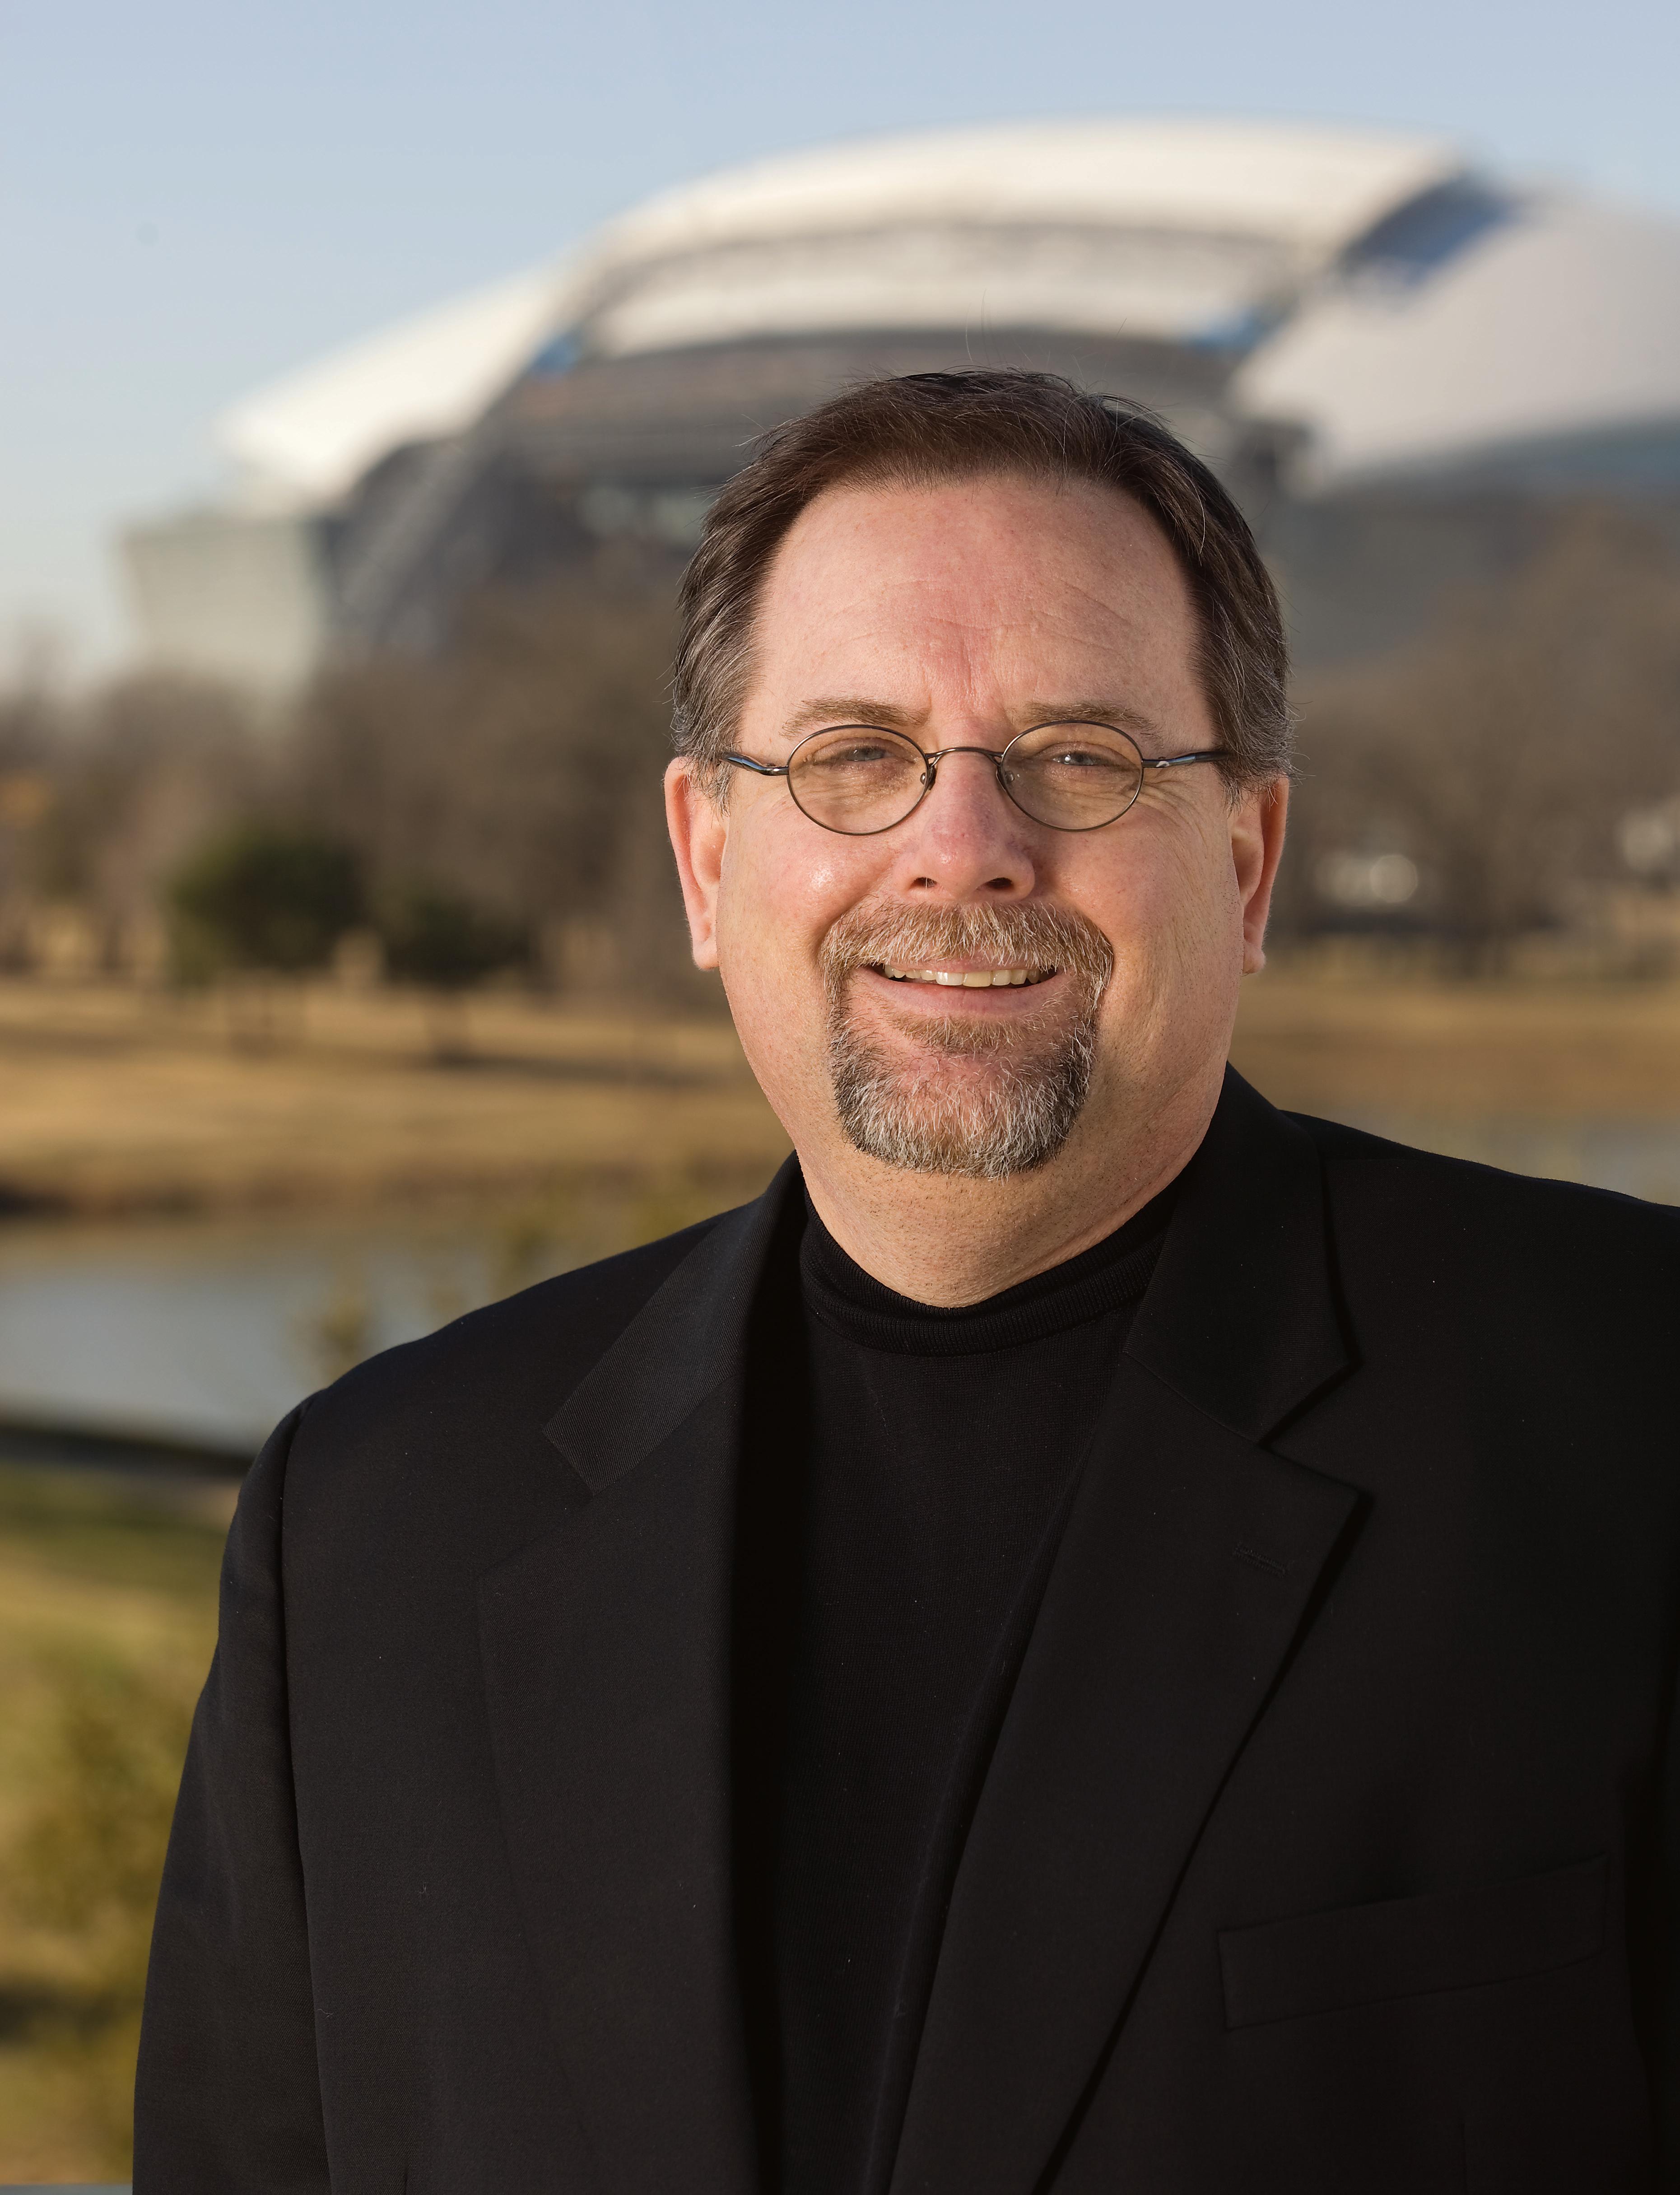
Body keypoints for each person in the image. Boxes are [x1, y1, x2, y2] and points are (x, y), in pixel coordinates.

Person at [136, 371, 1680, 2194]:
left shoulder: (1631, 1414)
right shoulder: (368, 1526)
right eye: (853, 756)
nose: (961, 848)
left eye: (1080, 755)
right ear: (709, 859)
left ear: (1246, 862)